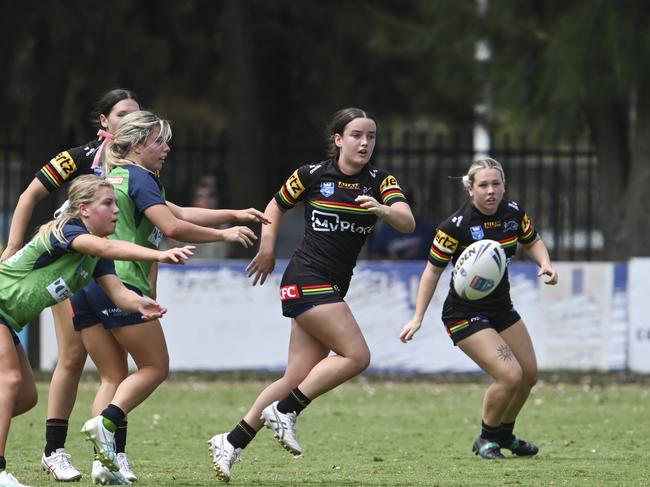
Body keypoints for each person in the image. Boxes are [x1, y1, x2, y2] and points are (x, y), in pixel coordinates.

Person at [207, 107, 416, 482]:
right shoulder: (312, 175)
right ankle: (285, 411)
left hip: (331, 284)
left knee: (297, 376)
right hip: (306, 277)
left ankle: (231, 441)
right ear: (338, 139)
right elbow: (275, 206)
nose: (365, 142)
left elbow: (408, 221)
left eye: (370, 136)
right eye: (356, 135)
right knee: (357, 355)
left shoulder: (380, 181)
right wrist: (267, 248)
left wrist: (383, 209)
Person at [72, 110, 269, 480]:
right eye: (159, 141)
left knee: (113, 378)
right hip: (121, 282)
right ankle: (107, 424)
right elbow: (173, 225)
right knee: (155, 368)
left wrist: (234, 214)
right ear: (137, 145)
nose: (167, 148)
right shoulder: (142, 177)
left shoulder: (115, 175)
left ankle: (104, 463)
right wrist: (225, 235)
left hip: (87, 283)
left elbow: (175, 210)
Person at [0, 175, 193, 487]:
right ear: (83, 209)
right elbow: (109, 246)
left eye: (116, 203)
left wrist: (140, 304)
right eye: (108, 203)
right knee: (9, 382)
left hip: (8, 320)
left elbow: (119, 294)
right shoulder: (67, 231)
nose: (116, 210)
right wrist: (159, 254)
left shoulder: (94, 260)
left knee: (24, 397)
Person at [0, 88, 141, 483]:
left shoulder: (141, 163)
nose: (130, 121)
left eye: (136, 115)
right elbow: (31, 194)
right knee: (73, 355)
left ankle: (111, 456)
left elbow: (149, 225)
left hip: (102, 265)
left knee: (114, 365)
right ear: (104, 123)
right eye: (122, 115)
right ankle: (54, 451)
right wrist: (12, 246)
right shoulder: (81, 158)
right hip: (70, 260)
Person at [399, 158, 558, 460]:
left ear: (504, 186)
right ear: (470, 189)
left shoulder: (513, 214)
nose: (490, 190)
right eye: (483, 185)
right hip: (463, 315)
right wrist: (418, 317)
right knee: (510, 374)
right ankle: (486, 439)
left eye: (496, 184)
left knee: (529, 375)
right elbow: (432, 272)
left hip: (501, 309)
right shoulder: (454, 227)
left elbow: (533, 240)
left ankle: (506, 435)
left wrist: (545, 263)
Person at [368, 187, 434, 260]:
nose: (404, 209)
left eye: (408, 205)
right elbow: (375, 256)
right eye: (400, 206)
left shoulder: (427, 229)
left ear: (414, 205)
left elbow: (437, 255)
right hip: (393, 270)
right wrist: (391, 259)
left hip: (421, 269)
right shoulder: (385, 230)